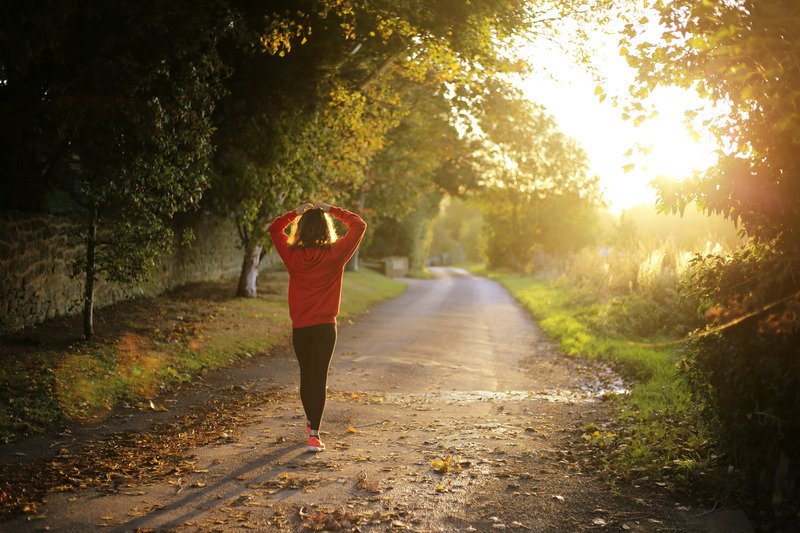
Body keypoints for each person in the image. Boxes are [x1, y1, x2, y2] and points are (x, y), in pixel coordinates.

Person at [268, 201, 367, 452]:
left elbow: (274, 228)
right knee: (319, 377)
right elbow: (358, 225)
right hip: (325, 328)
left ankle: (311, 422)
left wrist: (295, 213)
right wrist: (332, 209)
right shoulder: (335, 254)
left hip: (301, 328)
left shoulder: (292, 255)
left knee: (306, 375)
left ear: (300, 229)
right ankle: (314, 434)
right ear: (326, 228)